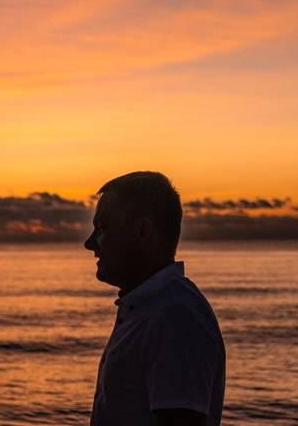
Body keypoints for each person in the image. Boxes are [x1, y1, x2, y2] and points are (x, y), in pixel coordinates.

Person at [84, 171, 226, 426]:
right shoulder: (150, 310)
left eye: (102, 228)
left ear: (143, 229)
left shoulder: (175, 317)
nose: (89, 243)